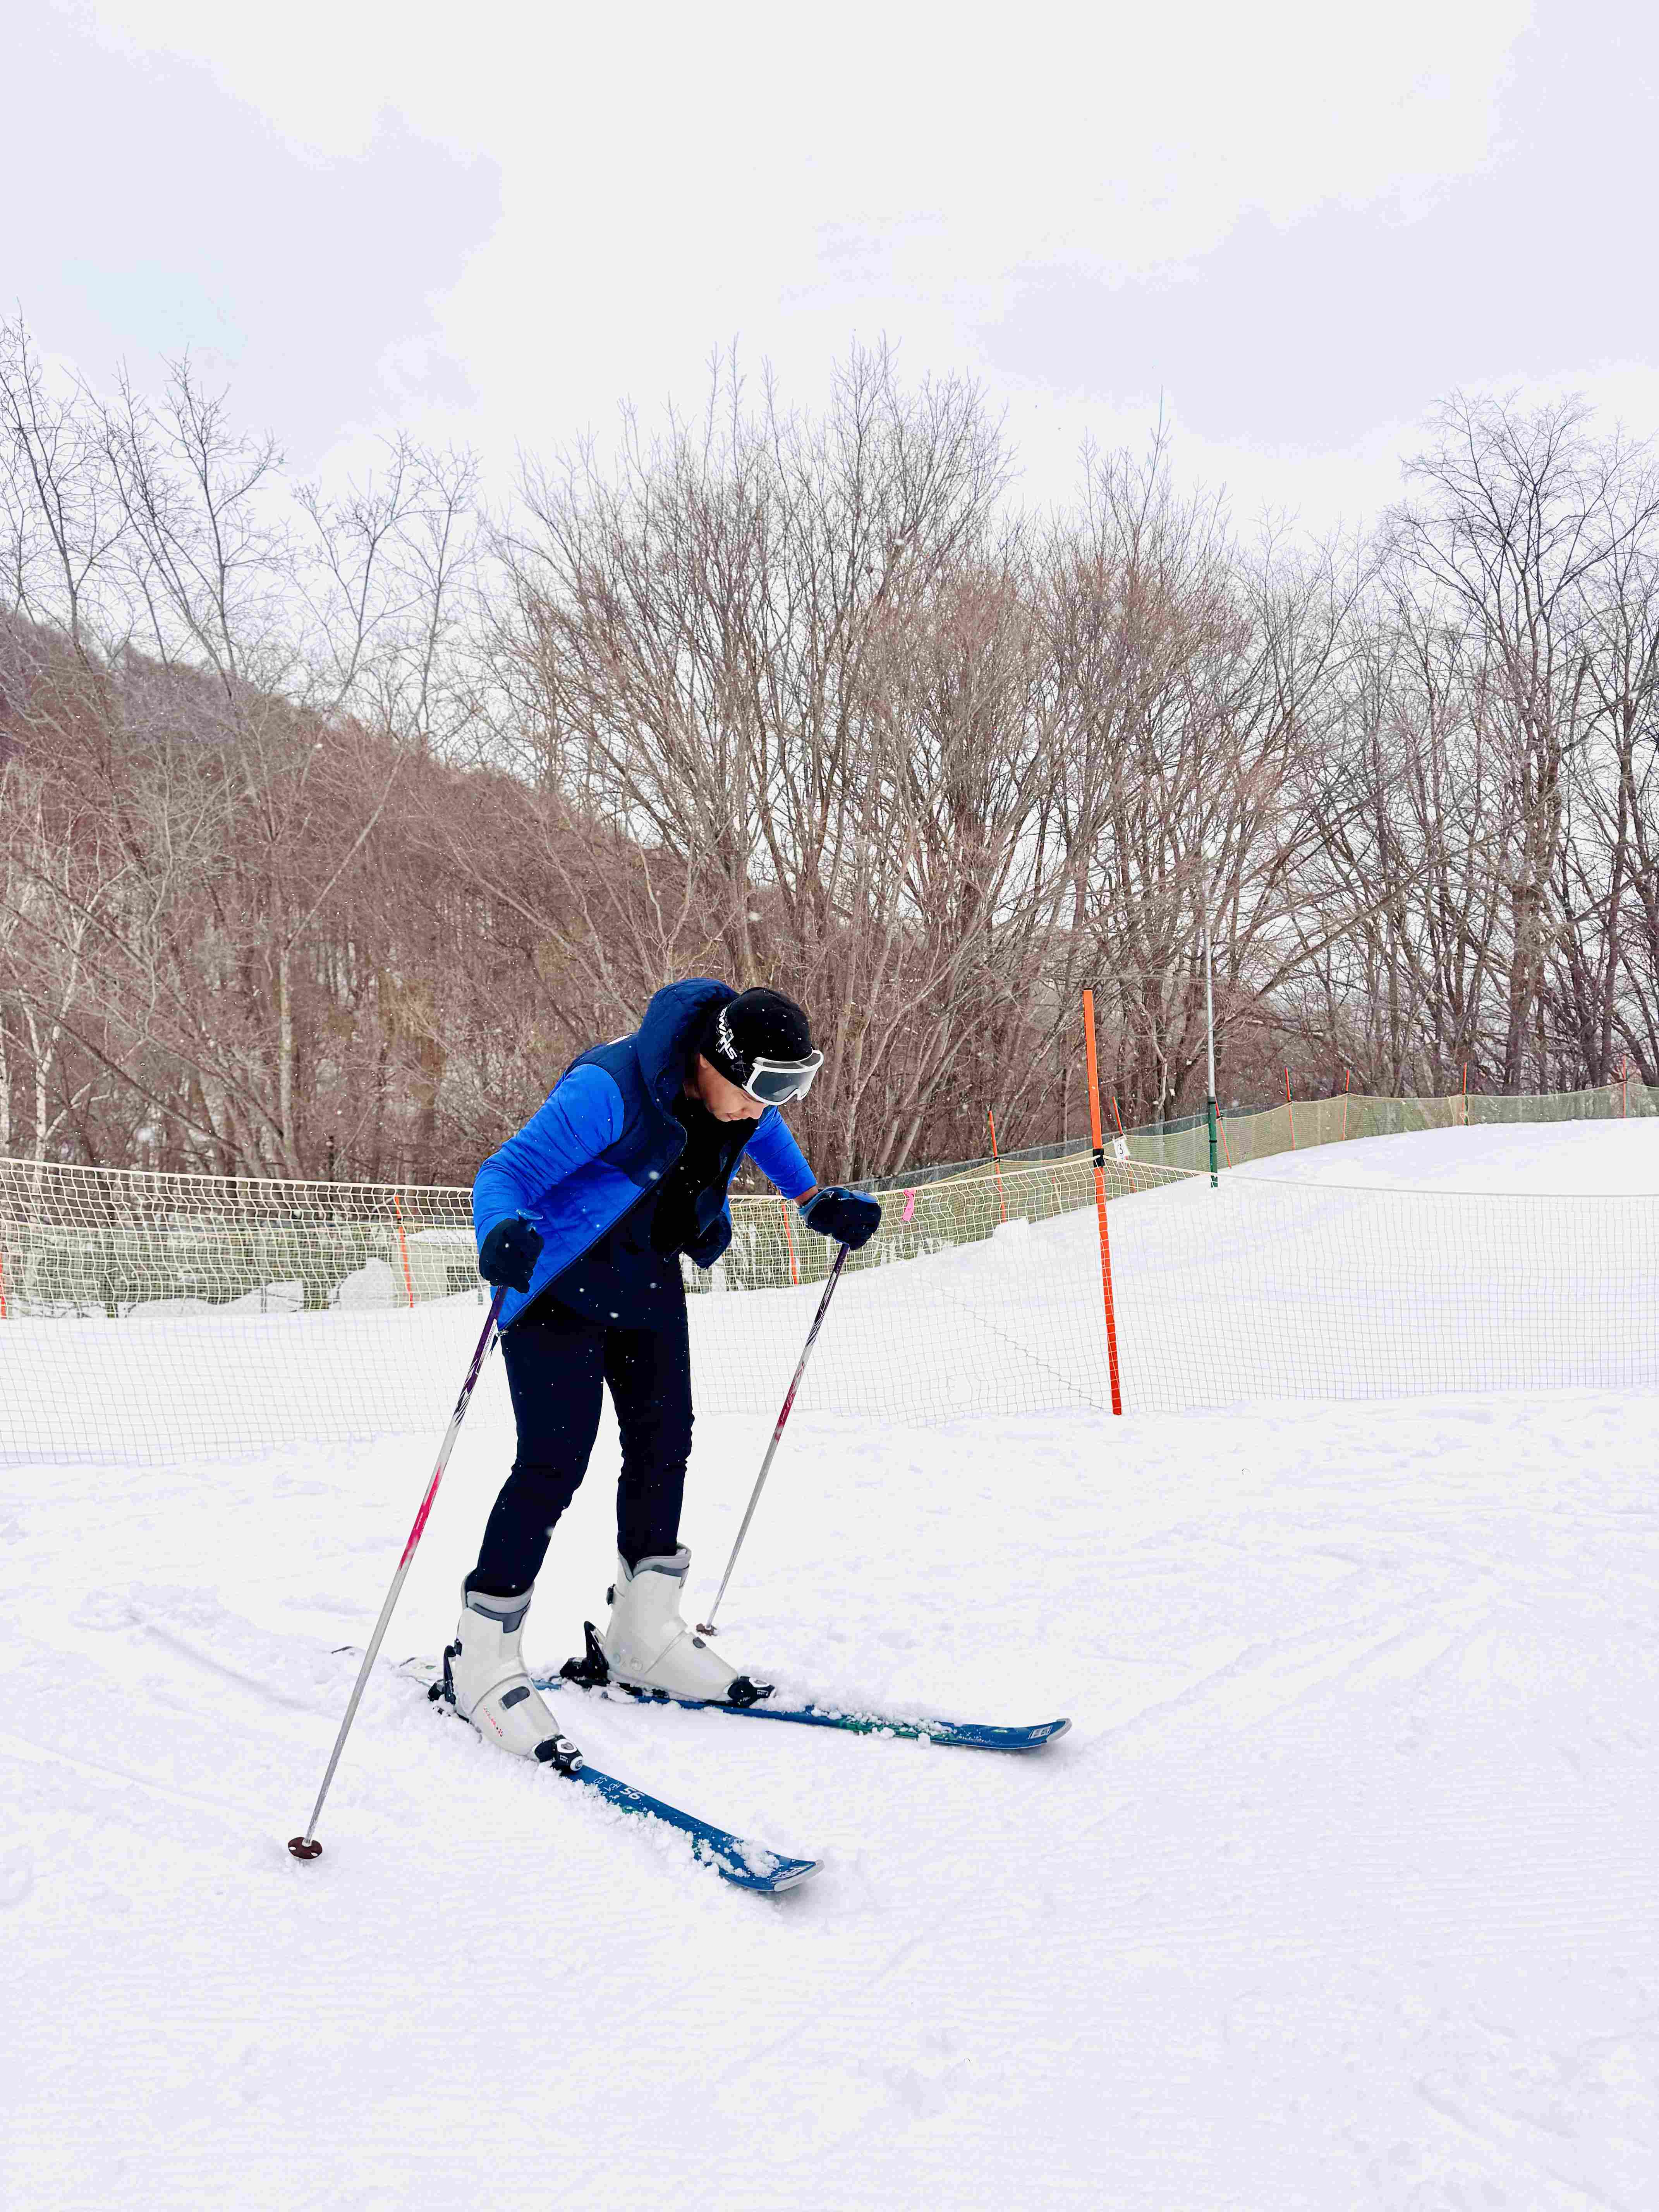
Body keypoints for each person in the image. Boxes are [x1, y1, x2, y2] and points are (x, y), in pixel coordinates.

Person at [442, 979, 883, 1763]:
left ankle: (642, 1635)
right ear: (713, 1060)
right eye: (761, 1088)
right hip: (556, 1284)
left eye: (790, 1087)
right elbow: (503, 1173)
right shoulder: (607, 1092)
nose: (766, 1106)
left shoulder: (738, 1101)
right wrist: (499, 1228)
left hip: (645, 1279)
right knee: (553, 1464)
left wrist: (813, 1198)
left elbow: (764, 1134)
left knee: (662, 1446)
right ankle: (481, 1657)